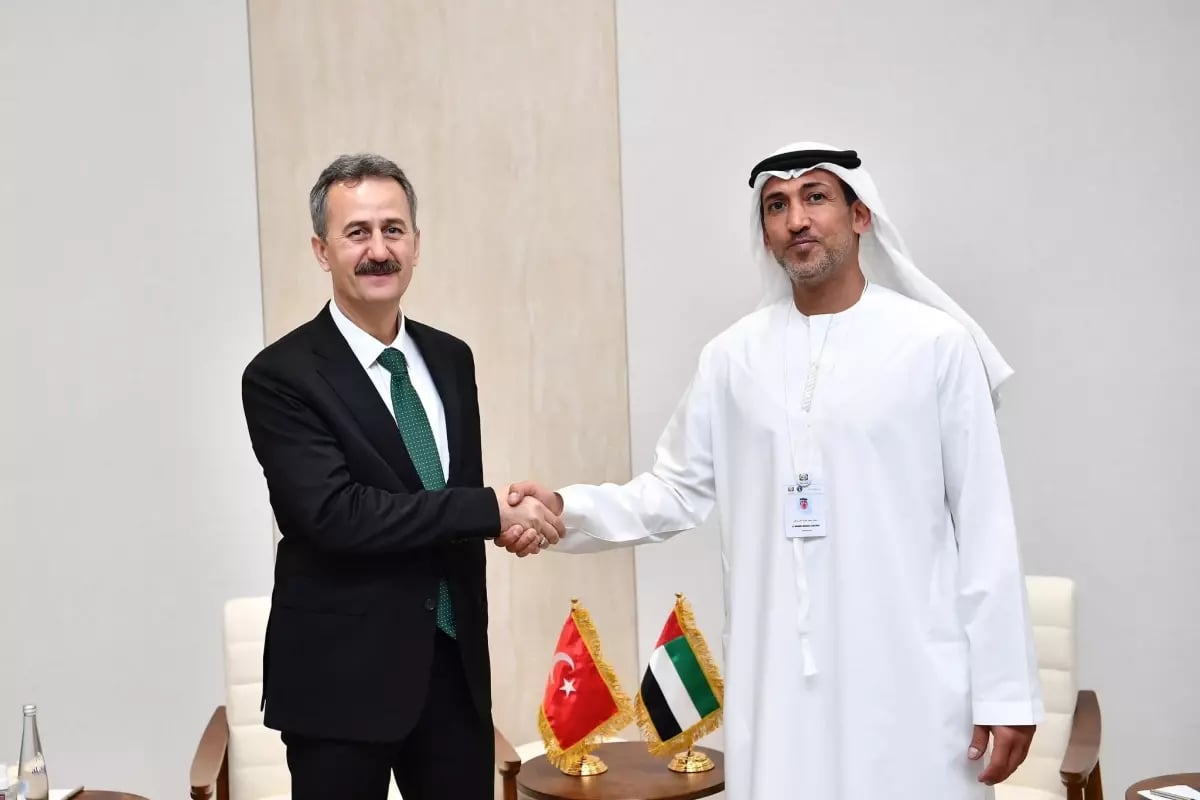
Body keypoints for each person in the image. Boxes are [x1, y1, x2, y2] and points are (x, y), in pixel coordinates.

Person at [501, 142, 1043, 799]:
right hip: (778, 677)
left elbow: (984, 524)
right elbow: (673, 490)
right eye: (777, 206)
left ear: (861, 215)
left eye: (815, 197)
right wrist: (565, 507)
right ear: (765, 233)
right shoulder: (732, 358)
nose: (797, 219)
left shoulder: (935, 345)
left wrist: (1006, 690)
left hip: (911, 677)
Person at [241, 153, 561, 799]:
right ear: (321, 250)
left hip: (453, 670)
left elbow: (446, 500)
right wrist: (488, 510)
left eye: (393, 229)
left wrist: (507, 525)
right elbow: (333, 516)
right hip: (339, 682)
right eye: (357, 232)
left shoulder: (450, 357)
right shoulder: (280, 375)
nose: (379, 250)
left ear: (416, 244)